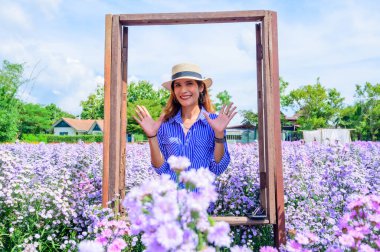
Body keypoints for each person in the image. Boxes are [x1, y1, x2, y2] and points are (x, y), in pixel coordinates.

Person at [133, 63, 237, 181]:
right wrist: (152, 136)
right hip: (171, 197)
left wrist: (219, 134)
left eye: (189, 83)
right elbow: (161, 169)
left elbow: (218, 168)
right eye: (178, 85)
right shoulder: (164, 125)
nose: (183, 90)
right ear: (173, 90)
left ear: (201, 87)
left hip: (200, 198)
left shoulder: (215, 123)